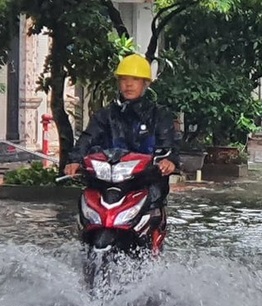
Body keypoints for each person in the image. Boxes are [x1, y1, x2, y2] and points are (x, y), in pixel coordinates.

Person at [64, 53, 179, 228]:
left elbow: (169, 145)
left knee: (154, 205)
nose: (129, 84)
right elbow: (88, 138)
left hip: (145, 181)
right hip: (106, 180)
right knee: (86, 204)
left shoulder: (159, 115)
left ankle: (150, 242)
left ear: (145, 83)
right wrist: (74, 160)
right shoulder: (105, 114)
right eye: (124, 79)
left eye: (135, 79)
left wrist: (168, 161)